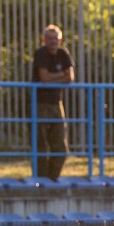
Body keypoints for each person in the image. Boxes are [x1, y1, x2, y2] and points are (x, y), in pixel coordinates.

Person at [31, 25, 75, 181]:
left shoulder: (63, 54)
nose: (53, 41)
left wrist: (52, 77)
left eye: (55, 38)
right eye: (49, 38)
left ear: (60, 40)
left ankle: (52, 177)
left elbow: (70, 77)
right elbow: (44, 78)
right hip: (40, 103)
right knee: (40, 143)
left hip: (57, 103)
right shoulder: (40, 53)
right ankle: (41, 179)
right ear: (44, 40)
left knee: (60, 146)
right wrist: (60, 76)